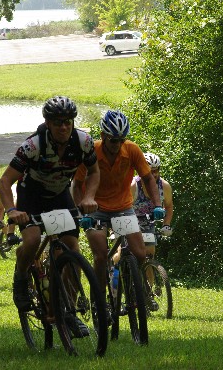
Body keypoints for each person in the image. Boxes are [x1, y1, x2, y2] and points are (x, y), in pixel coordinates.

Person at [0, 96, 99, 337]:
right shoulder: (32, 146)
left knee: (72, 251)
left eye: (67, 122)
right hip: (31, 197)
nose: (63, 127)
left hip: (59, 196)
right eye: (57, 123)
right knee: (32, 241)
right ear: (47, 123)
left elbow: (94, 171)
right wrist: (12, 211)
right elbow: (5, 181)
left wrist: (88, 197)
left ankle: (68, 311)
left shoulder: (84, 141)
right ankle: (21, 278)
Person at [72, 110, 165, 297]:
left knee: (140, 254)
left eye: (121, 140)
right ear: (103, 136)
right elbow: (77, 185)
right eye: (113, 140)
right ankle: (99, 300)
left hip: (122, 208)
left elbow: (148, 179)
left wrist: (157, 205)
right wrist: (82, 213)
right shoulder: (91, 152)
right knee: (100, 256)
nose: (118, 144)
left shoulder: (131, 150)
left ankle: (135, 290)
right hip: (95, 209)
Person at [130, 152, 174, 311]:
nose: (154, 174)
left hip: (148, 223)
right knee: (122, 254)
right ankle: (118, 285)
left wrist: (166, 224)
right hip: (130, 222)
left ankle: (147, 293)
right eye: (150, 170)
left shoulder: (165, 186)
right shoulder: (133, 186)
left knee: (149, 255)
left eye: (156, 170)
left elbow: (169, 206)